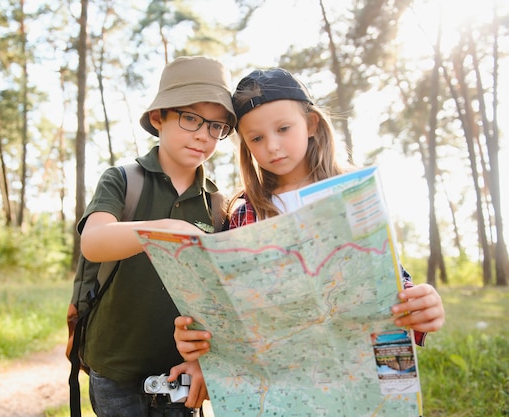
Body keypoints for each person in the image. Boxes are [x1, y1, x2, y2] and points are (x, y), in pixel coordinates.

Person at [170, 68, 446, 409]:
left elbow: (385, 280)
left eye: (284, 129)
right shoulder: (245, 211)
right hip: (279, 389)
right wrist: (199, 341)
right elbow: (225, 304)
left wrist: (422, 305)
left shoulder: (353, 194)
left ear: (311, 124)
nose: (272, 146)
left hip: (363, 387)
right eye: (256, 138)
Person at [77, 56, 237, 417]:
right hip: (114, 367)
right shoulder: (123, 179)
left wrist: (203, 362)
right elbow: (94, 240)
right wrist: (163, 229)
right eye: (191, 118)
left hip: (178, 373)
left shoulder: (217, 205)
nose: (202, 135)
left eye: (217, 126)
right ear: (158, 117)